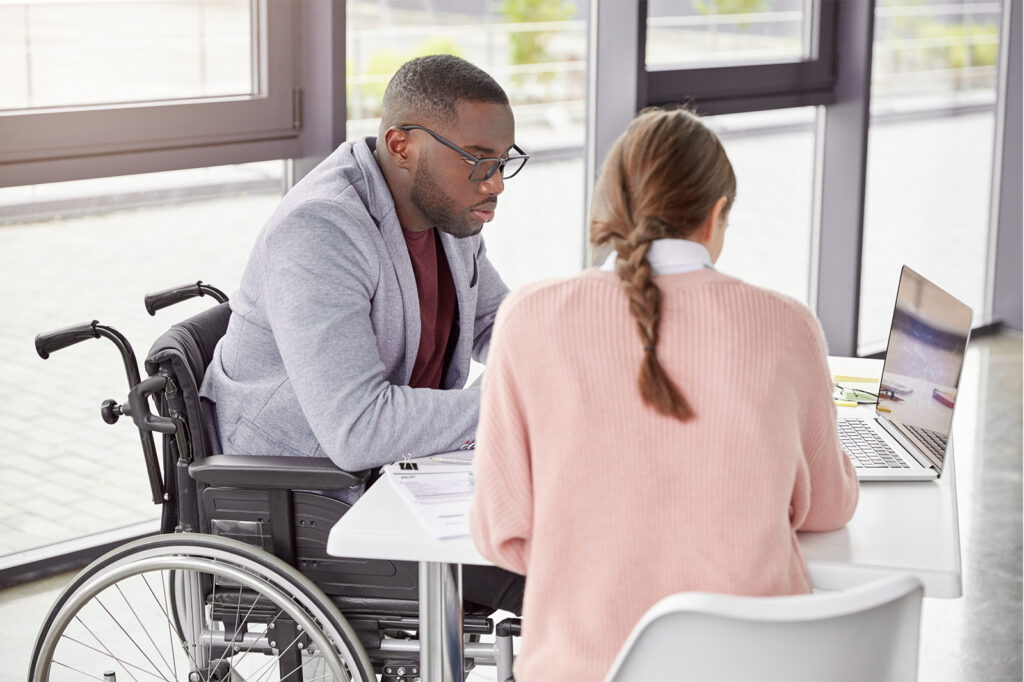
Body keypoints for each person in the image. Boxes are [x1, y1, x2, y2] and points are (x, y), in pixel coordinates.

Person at [469, 107, 860, 680]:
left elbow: (500, 530)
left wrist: (600, 557)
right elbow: (826, 509)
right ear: (716, 214)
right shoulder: (787, 324)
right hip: (754, 668)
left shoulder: (528, 317)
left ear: (610, 208)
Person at [202, 55, 526, 614]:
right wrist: (514, 401)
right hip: (310, 502)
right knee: (557, 566)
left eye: (503, 161)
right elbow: (359, 428)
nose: (495, 183)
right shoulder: (319, 230)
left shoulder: (450, 210)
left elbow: (497, 323)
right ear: (401, 146)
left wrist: (562, 358)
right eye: (477, 160)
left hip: (402, 475)